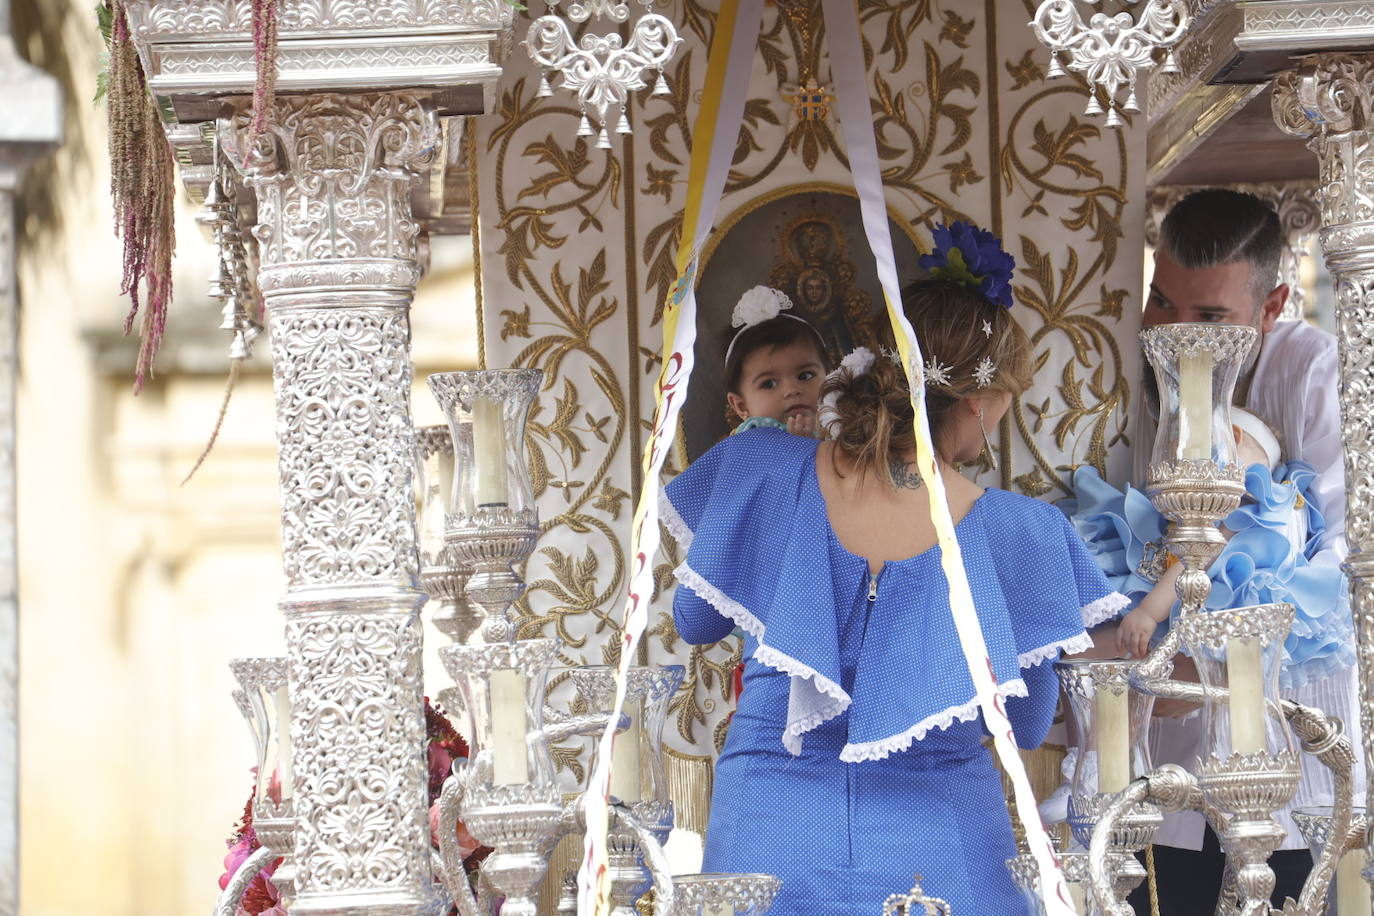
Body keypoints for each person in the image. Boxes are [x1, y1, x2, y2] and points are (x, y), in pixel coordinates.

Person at [660, 222, 1128, 914]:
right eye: (1004, 404)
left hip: (772, 828)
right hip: (942, 841)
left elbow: (693, 619)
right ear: (977, 402)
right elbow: (1026, 729)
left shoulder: (758, 468)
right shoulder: (1024, 534)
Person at [1122, 188, 1358, 913]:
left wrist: (1207, 654)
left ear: (1273, 304)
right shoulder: (1132, 359)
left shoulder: (1316, 374)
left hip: (1284, 739)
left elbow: (1340, 551)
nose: (1177, 335)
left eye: (1211, 318)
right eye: (1162, 303)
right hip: (1161, 744)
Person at [722, 285, 830, 438]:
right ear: (741, 405)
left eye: (805, 376)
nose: (792, 390)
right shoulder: (750, 446)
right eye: (768, 384)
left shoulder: (843, 427)